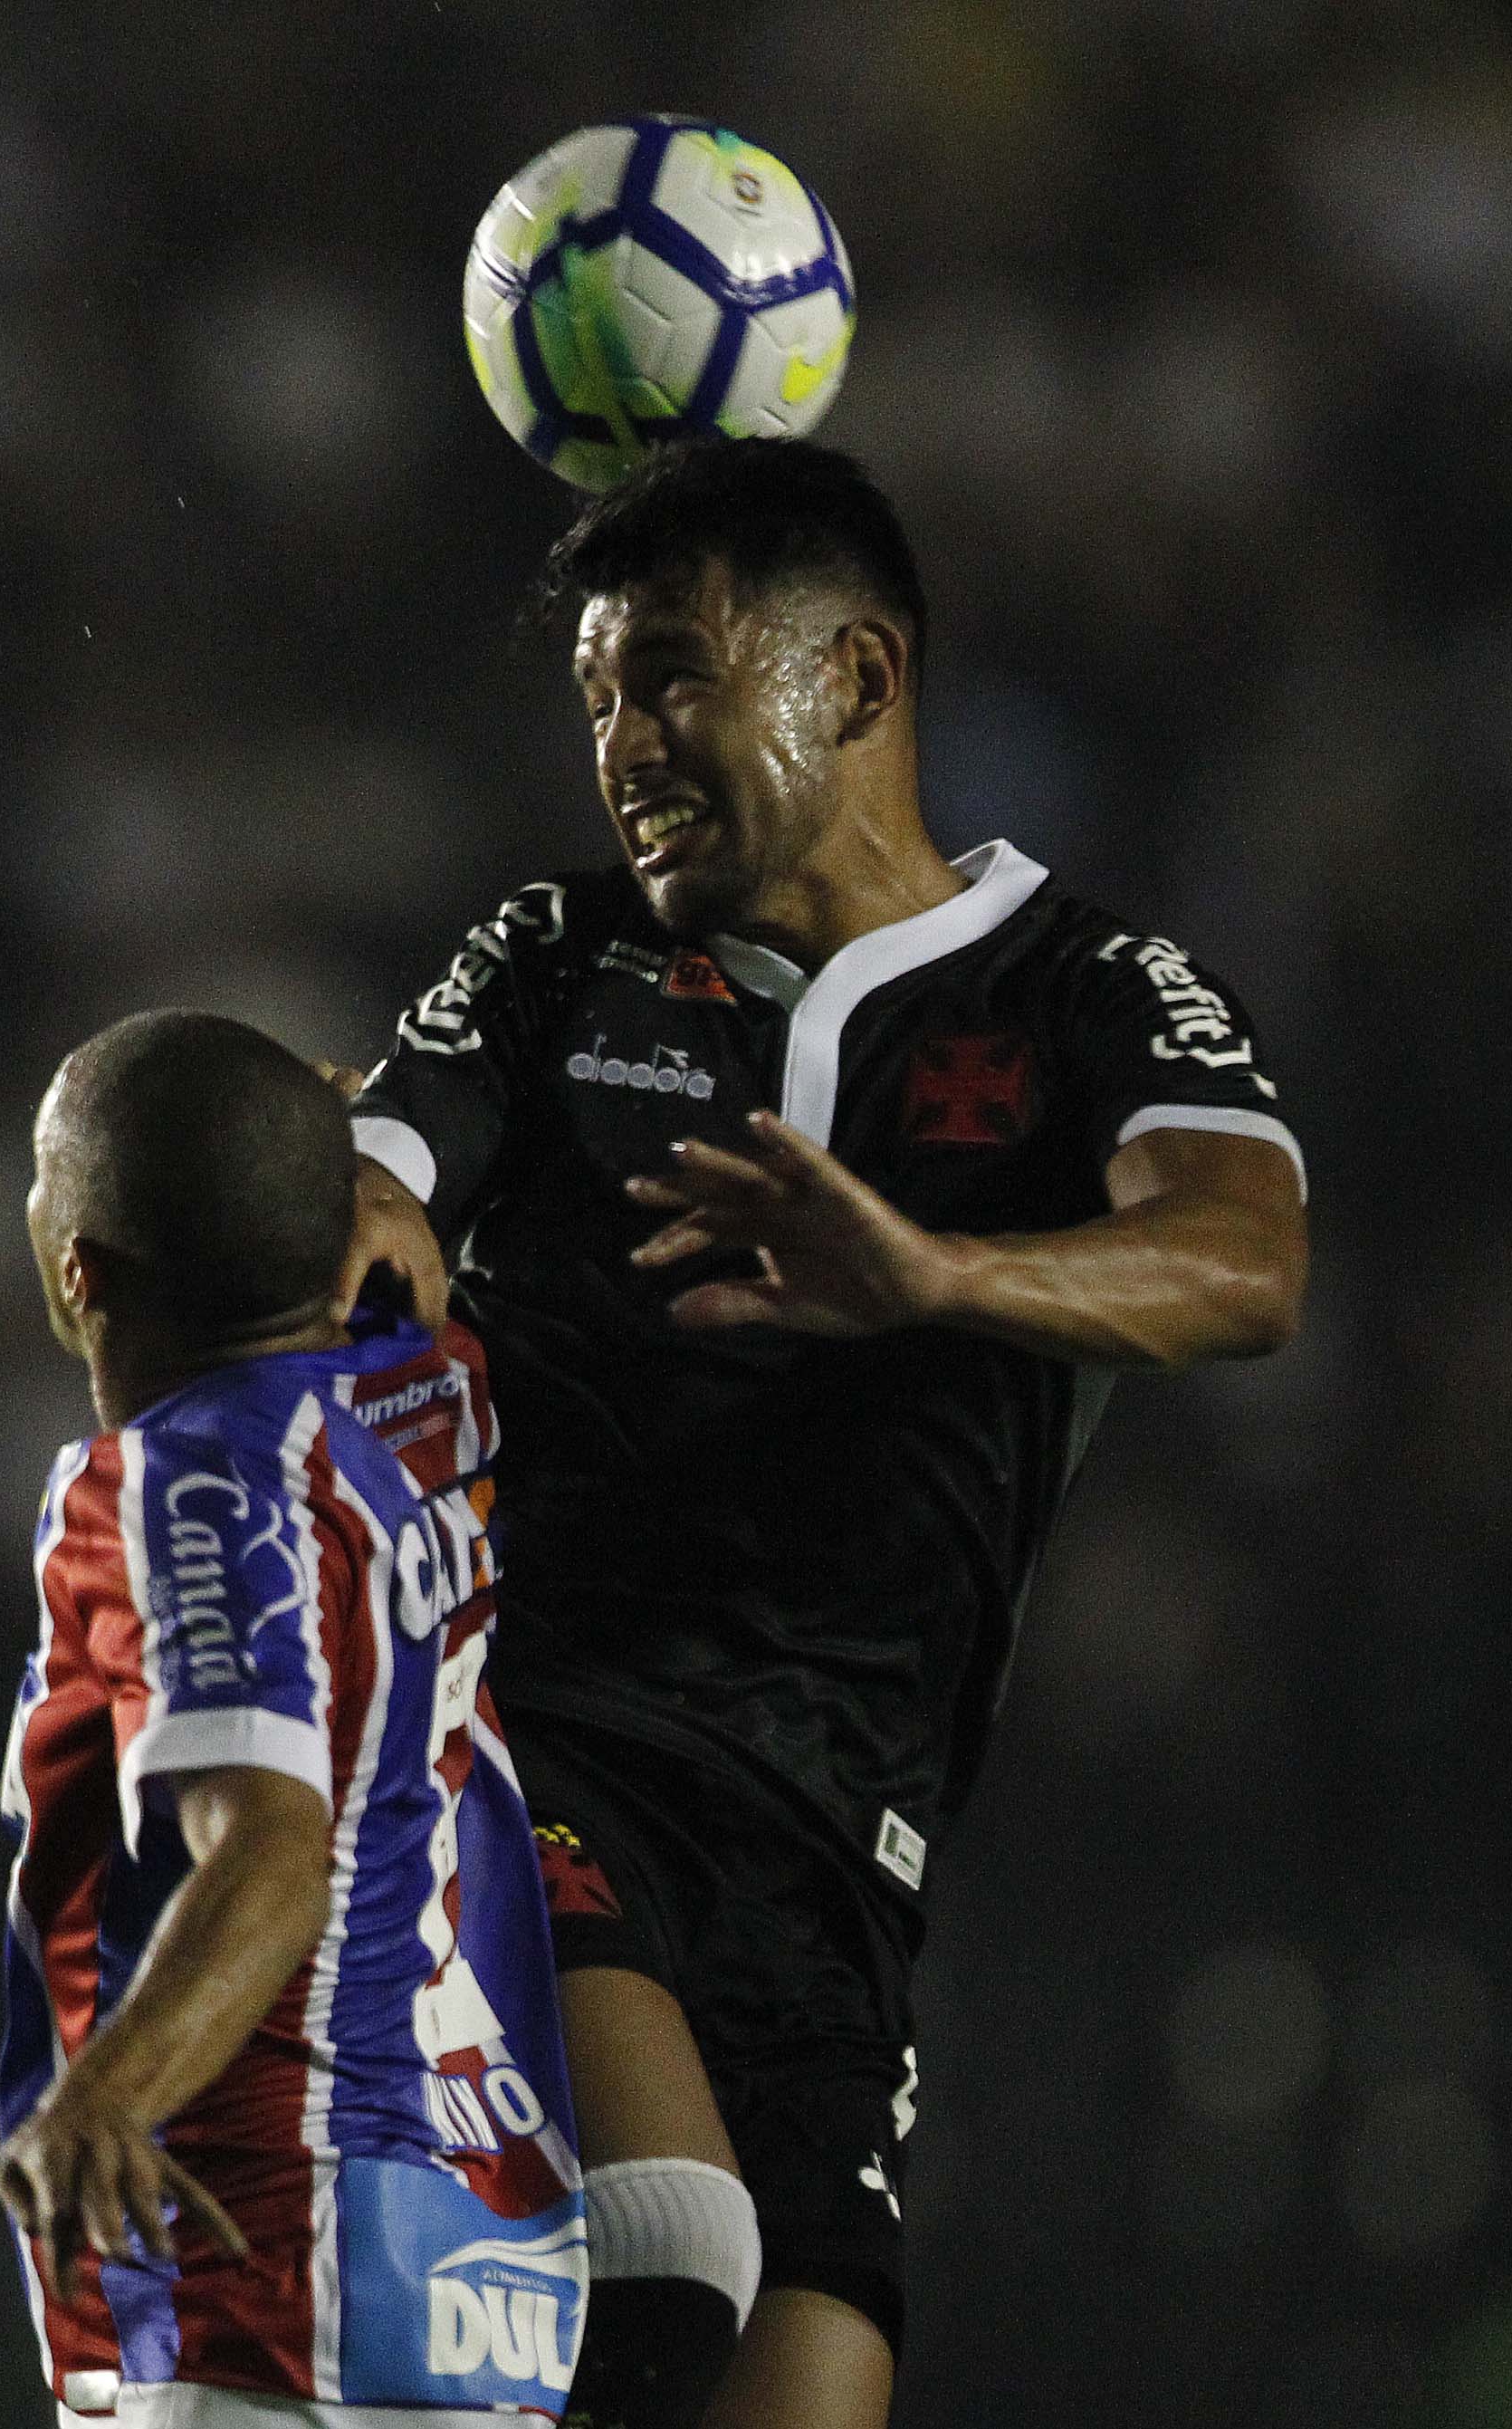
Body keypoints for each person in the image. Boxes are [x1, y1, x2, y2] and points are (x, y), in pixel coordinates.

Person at [341, 438, 1309, 2429]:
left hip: (839, 1862)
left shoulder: (1080, 993)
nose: (622, 745)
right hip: (535, 1741)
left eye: (670, 679)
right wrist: (347, 1250)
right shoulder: (553, 962)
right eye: (597, 699)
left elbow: (1246, 1260)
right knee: (663, 2246)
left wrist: (933, 1274)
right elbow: (369, 1181)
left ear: (853, 678)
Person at [0, 1009, 587, 2427]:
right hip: (474, 2273)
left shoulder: (185, 1481)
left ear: (80, 1267)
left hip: (263, 2265)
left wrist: (108, 2095)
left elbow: (270, 1847)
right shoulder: (426, 1376)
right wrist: (357, 1173)